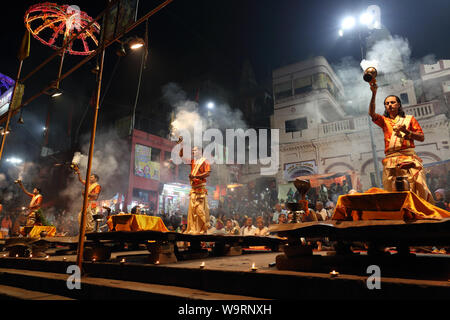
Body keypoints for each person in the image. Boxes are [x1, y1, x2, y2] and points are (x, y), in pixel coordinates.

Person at [368, 81, 434, 203]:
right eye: (387, 103)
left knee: (418, 187)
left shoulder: (409, 119)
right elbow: (371, 113)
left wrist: (407, 131)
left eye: (392, 102)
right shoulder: (384, 121)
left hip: (408, 159)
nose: (390, 105)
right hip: (390, 161)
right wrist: (374, 93)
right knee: (392, 193)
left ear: (399, 105)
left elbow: (421, 137)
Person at [178, 138, 210, 234]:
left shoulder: (205, 161)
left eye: (195, 150)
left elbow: (207, 173)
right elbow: (182, 157)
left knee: (200, 211)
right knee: (192, 211)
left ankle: (203, 229)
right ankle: (193, 229)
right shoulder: (193, 161)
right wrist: (182, 145)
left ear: (200, 151)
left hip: (200, 190)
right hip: (193, 189)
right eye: (192, 150)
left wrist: (195, 176)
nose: (193, 151)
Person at [74, 167, 101, 233]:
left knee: (89, 218)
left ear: (96, 179)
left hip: (92, 203)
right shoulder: (88, 184)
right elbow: (80, 180)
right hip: (86, 203)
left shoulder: (97, 186)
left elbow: (95, 195)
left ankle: (88, 233)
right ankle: (83, 232)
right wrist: (78, 173)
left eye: (91, 177)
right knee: (80, 217)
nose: (90, 178)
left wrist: (87, 193)